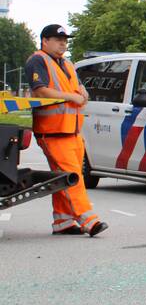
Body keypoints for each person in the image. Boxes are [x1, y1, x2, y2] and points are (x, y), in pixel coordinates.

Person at [25, 24, 108, 236]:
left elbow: (78, 88)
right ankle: (89, 220)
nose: (63, 43)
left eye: (65, 40)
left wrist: (83, 93)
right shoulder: (38, 60)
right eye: (57, 39)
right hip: (52, 131)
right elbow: (41, 91)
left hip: (72, 130)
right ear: (45, 41)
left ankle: (63, 221)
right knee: (72, 176)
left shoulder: (67, 63)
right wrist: (72, 97)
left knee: (64, 177)